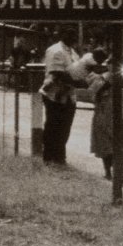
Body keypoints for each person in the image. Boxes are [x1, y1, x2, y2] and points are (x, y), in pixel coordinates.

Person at [88, 60, 123, 183]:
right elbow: (93, 93)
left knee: (121, 146)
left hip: (120, 117)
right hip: (103, 116)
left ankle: (119, 173)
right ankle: (108, 172)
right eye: (113, 64)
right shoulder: (101, 78)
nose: (116, 66)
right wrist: (108, 82)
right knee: (106, 147)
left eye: (118, 64)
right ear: (108, 65)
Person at [40, 27, 80, 166]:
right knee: (53, 126)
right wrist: (77, 80)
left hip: (69, 95)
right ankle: (48, 156)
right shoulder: (55, 50)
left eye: (74, 35)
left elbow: (78, 70)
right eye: (70, 34)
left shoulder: (73, 52)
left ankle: (59, 156)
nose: (73, 37)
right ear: (63, 34)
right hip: (54, 95)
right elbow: (56, 73)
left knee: (65, 128)